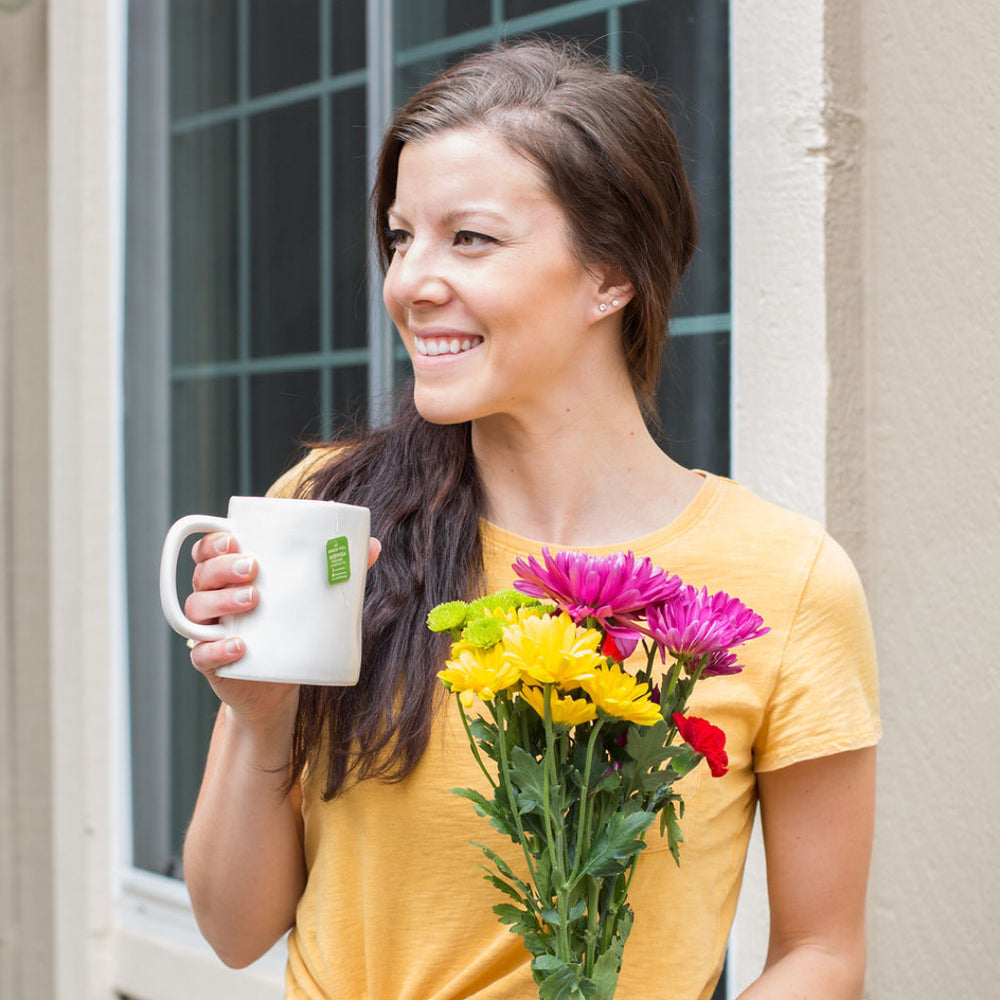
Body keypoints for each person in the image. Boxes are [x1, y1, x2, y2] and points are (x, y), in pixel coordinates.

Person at [180, 39, 879, 1000]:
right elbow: (232, 929)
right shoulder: (331, 521)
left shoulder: (784, 579)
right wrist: (262, 726)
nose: (410, 282)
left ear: (612, 274)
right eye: (400, 238)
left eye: (470, 238)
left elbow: (823, 951)